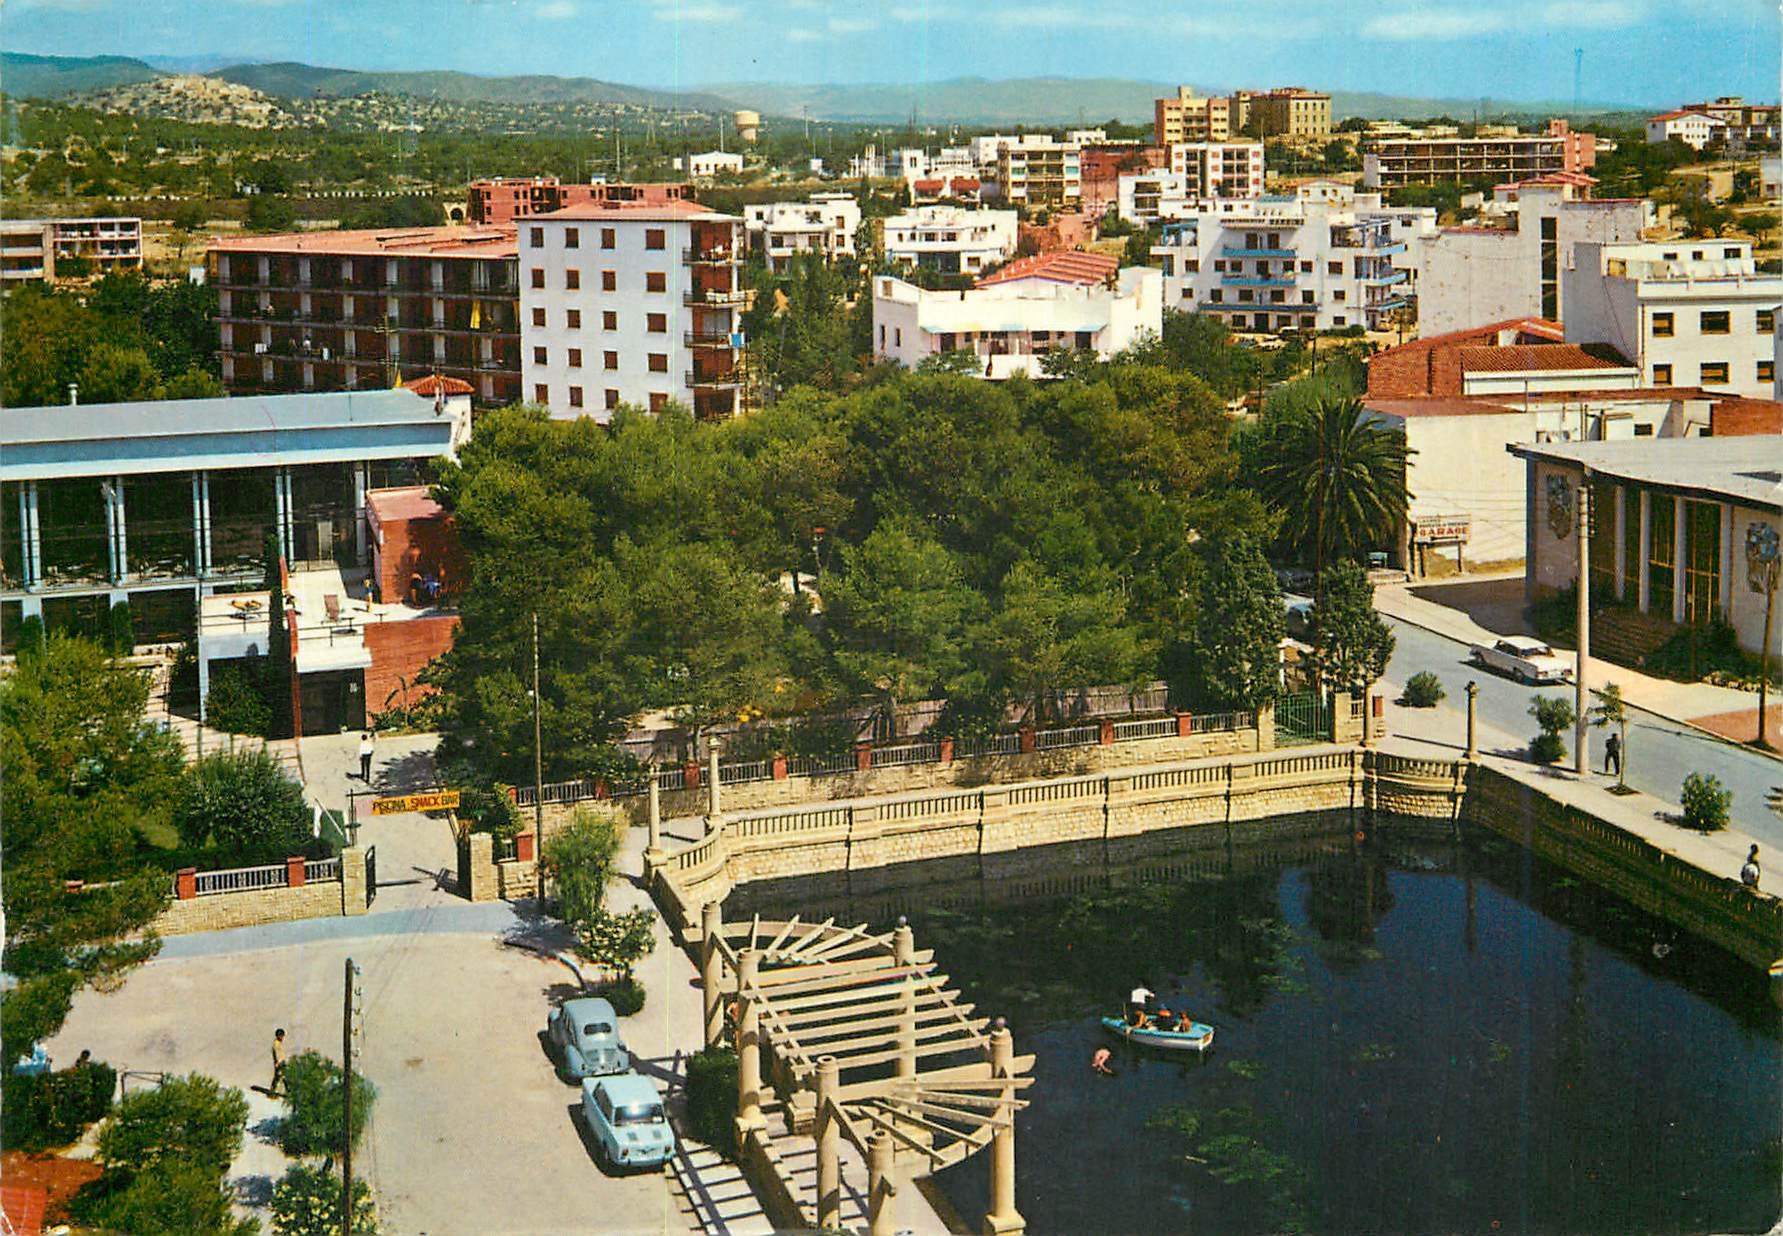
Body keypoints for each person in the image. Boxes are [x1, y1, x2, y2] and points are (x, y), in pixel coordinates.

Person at [270, 1028, 288, 1095]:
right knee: (282, 1076)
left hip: (281, 1061)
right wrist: (277, 1062)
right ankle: (288, 1091)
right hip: (280, 1062)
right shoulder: (276, 1044)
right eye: (282, 1036)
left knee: (279, 1077)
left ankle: (273, 1090)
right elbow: (277, 1054)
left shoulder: (279, 1043)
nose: (283, 1037)